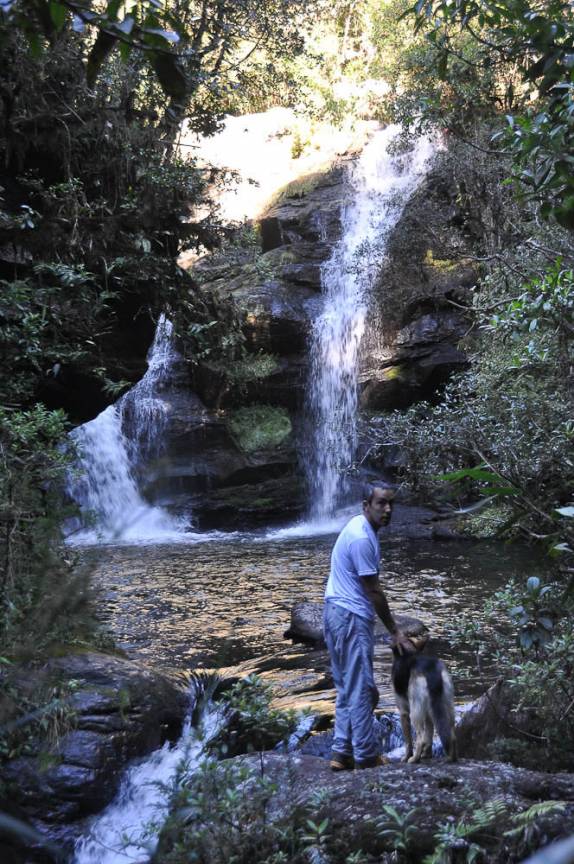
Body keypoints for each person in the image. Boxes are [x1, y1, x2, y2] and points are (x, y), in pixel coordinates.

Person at [323, 482, 410, 770]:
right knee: (362, 690)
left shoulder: (359, 527)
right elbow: (373, 591)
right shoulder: (361, 538)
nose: (387, 510)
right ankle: (366, 756)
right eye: (381, 503)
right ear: (366, 505)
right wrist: (395, 631)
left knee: (349, 687)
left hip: (335, 612)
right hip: (349, 617)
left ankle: (340, 752)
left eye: (391, 504)